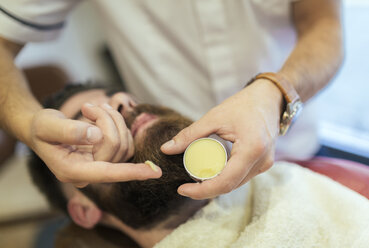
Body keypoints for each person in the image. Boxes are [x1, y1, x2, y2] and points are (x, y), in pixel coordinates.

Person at [0, 0, 343, 198]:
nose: (122, 101)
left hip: (293, 141)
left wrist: (275, 93)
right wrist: (27, 123)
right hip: (175, 180)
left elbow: (325, 26)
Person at [29, 84, 369, 248]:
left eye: (118, 97)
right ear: (85, 211)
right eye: (86, 125)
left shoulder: (294, 184)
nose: (121, 103)